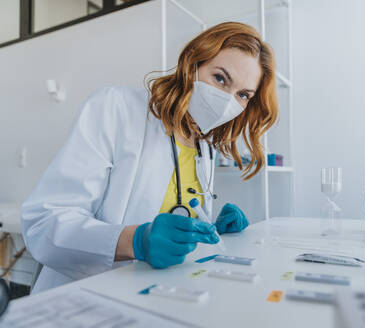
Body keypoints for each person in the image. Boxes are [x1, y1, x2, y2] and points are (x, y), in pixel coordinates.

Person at [21, 22, 278, 293]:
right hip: (82, 301)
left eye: (243, 94)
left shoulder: (205, 147)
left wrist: (208, 231)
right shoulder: (117, 108)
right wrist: (136, 241)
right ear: (192, 63)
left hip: (161, 297)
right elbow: (44, 224)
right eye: (220, 78)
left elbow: (170, 221)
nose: (227, 100)